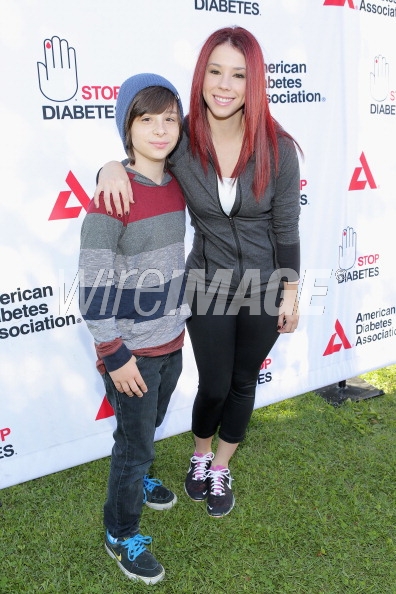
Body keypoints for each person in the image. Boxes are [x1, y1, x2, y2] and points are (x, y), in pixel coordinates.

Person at [95, 26, 302, 520]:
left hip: (263, 285)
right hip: (206, 281)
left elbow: (286, 225)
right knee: (213, 384)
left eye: (238, 74)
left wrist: (291, 290)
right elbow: (143, 152)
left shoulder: (279, 147)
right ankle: (199, 453)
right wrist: (108, 165)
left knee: (243, 382)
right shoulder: (184, 139)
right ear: (201, 75)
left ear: (254, 82)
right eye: (215, 71)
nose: (225, 84)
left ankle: (222, 464)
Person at [79, 73, 190, 584]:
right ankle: (119, 532)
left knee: (152, 423)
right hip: (131, 353)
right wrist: (114, 353)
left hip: (172, 340)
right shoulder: (111, 197)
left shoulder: (178, 184)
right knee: (134, 444)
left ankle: (141, 479)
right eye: (147, 119)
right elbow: (93, 285)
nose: (161, 129)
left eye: (170, 118)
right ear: (128, 125)